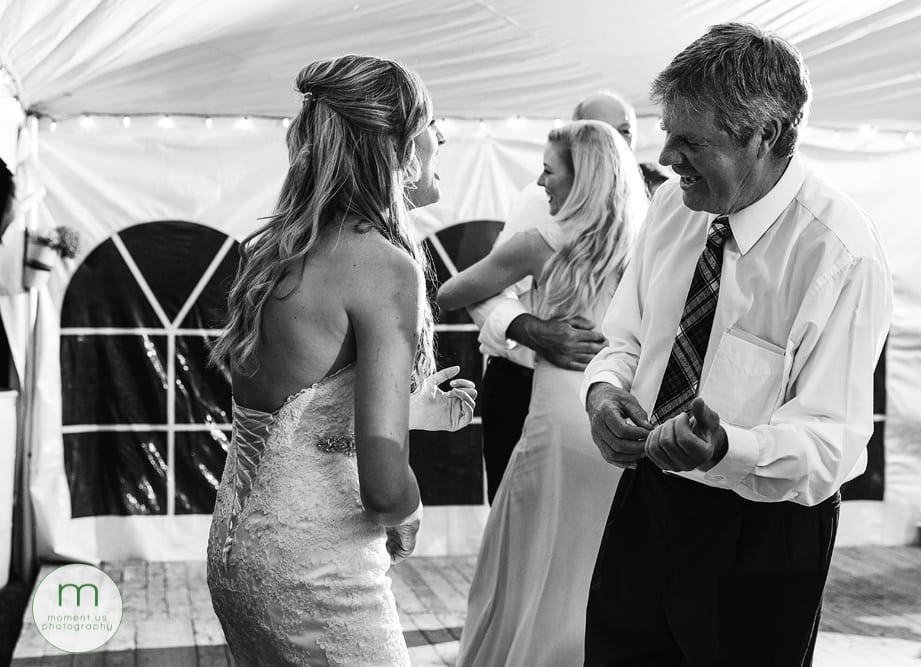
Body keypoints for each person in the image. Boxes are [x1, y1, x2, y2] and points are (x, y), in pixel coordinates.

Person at [582, 23, 893, 666]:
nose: (666, 158)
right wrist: (603, 391)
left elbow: (834, 442)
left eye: (690, 141)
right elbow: (627, 335)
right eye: (667, 132)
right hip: (647, 499)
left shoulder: (840, 252)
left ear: (768, 135)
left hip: (762, 530)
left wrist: (728, 446)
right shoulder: (673, 204)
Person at [205, 55, 477, 666]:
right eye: (434, 124)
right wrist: (408, 513)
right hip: (317, 568)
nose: (443, 138)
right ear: (402, 145)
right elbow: (382, 489)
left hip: (237, 550)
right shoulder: (383, 266)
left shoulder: (275, 249)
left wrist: (407, 410)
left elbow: (290, 420)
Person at [439, 120, 648, 666]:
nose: (540, 182)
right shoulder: (650, 245)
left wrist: (530, 315)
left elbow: (451, 291)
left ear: (580, 181)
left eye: (550, 172)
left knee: (529, 558)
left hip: (556, 425)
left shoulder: (543, 243)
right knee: (594, 560)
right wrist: (531, 327)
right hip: (616, 423)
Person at [468, 91, 639, 502]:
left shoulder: (654, 200)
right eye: (600, 130)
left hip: (611, 394)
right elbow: (487, 288)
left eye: (625, 132)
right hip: (526, 386)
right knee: (524, 513)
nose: (614, 142)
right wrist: (530, 329)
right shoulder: (540, 199)